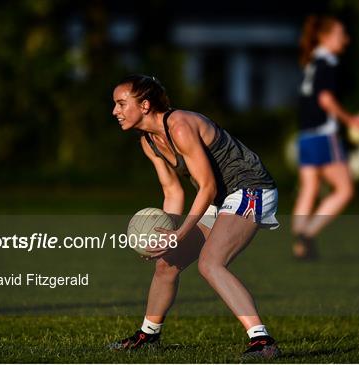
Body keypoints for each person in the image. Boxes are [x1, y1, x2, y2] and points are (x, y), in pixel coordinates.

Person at [109, 74, 281, 360]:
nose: (115, 111)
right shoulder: (148, 142)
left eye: (121, 103)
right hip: (221, 198)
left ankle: (263, 341)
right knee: (167, 264)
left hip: (251, 188)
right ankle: (148, 335)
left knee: (211, 263)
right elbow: (173, 192)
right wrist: (162, 236)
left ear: (145, 105)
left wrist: (179, 234)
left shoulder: (179, 126)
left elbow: (207, 186)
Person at [292, 15, 359, 260]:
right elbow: (325, 99)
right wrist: (351, 120)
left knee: (310, 188)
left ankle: (299, 244)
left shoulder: (312, 62)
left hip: (305, 135)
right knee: (345, 190)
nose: (345, 40)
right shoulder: (328, 63)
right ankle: (308, 234)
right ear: (324, 37)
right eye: (340, 35)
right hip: (324, 135)